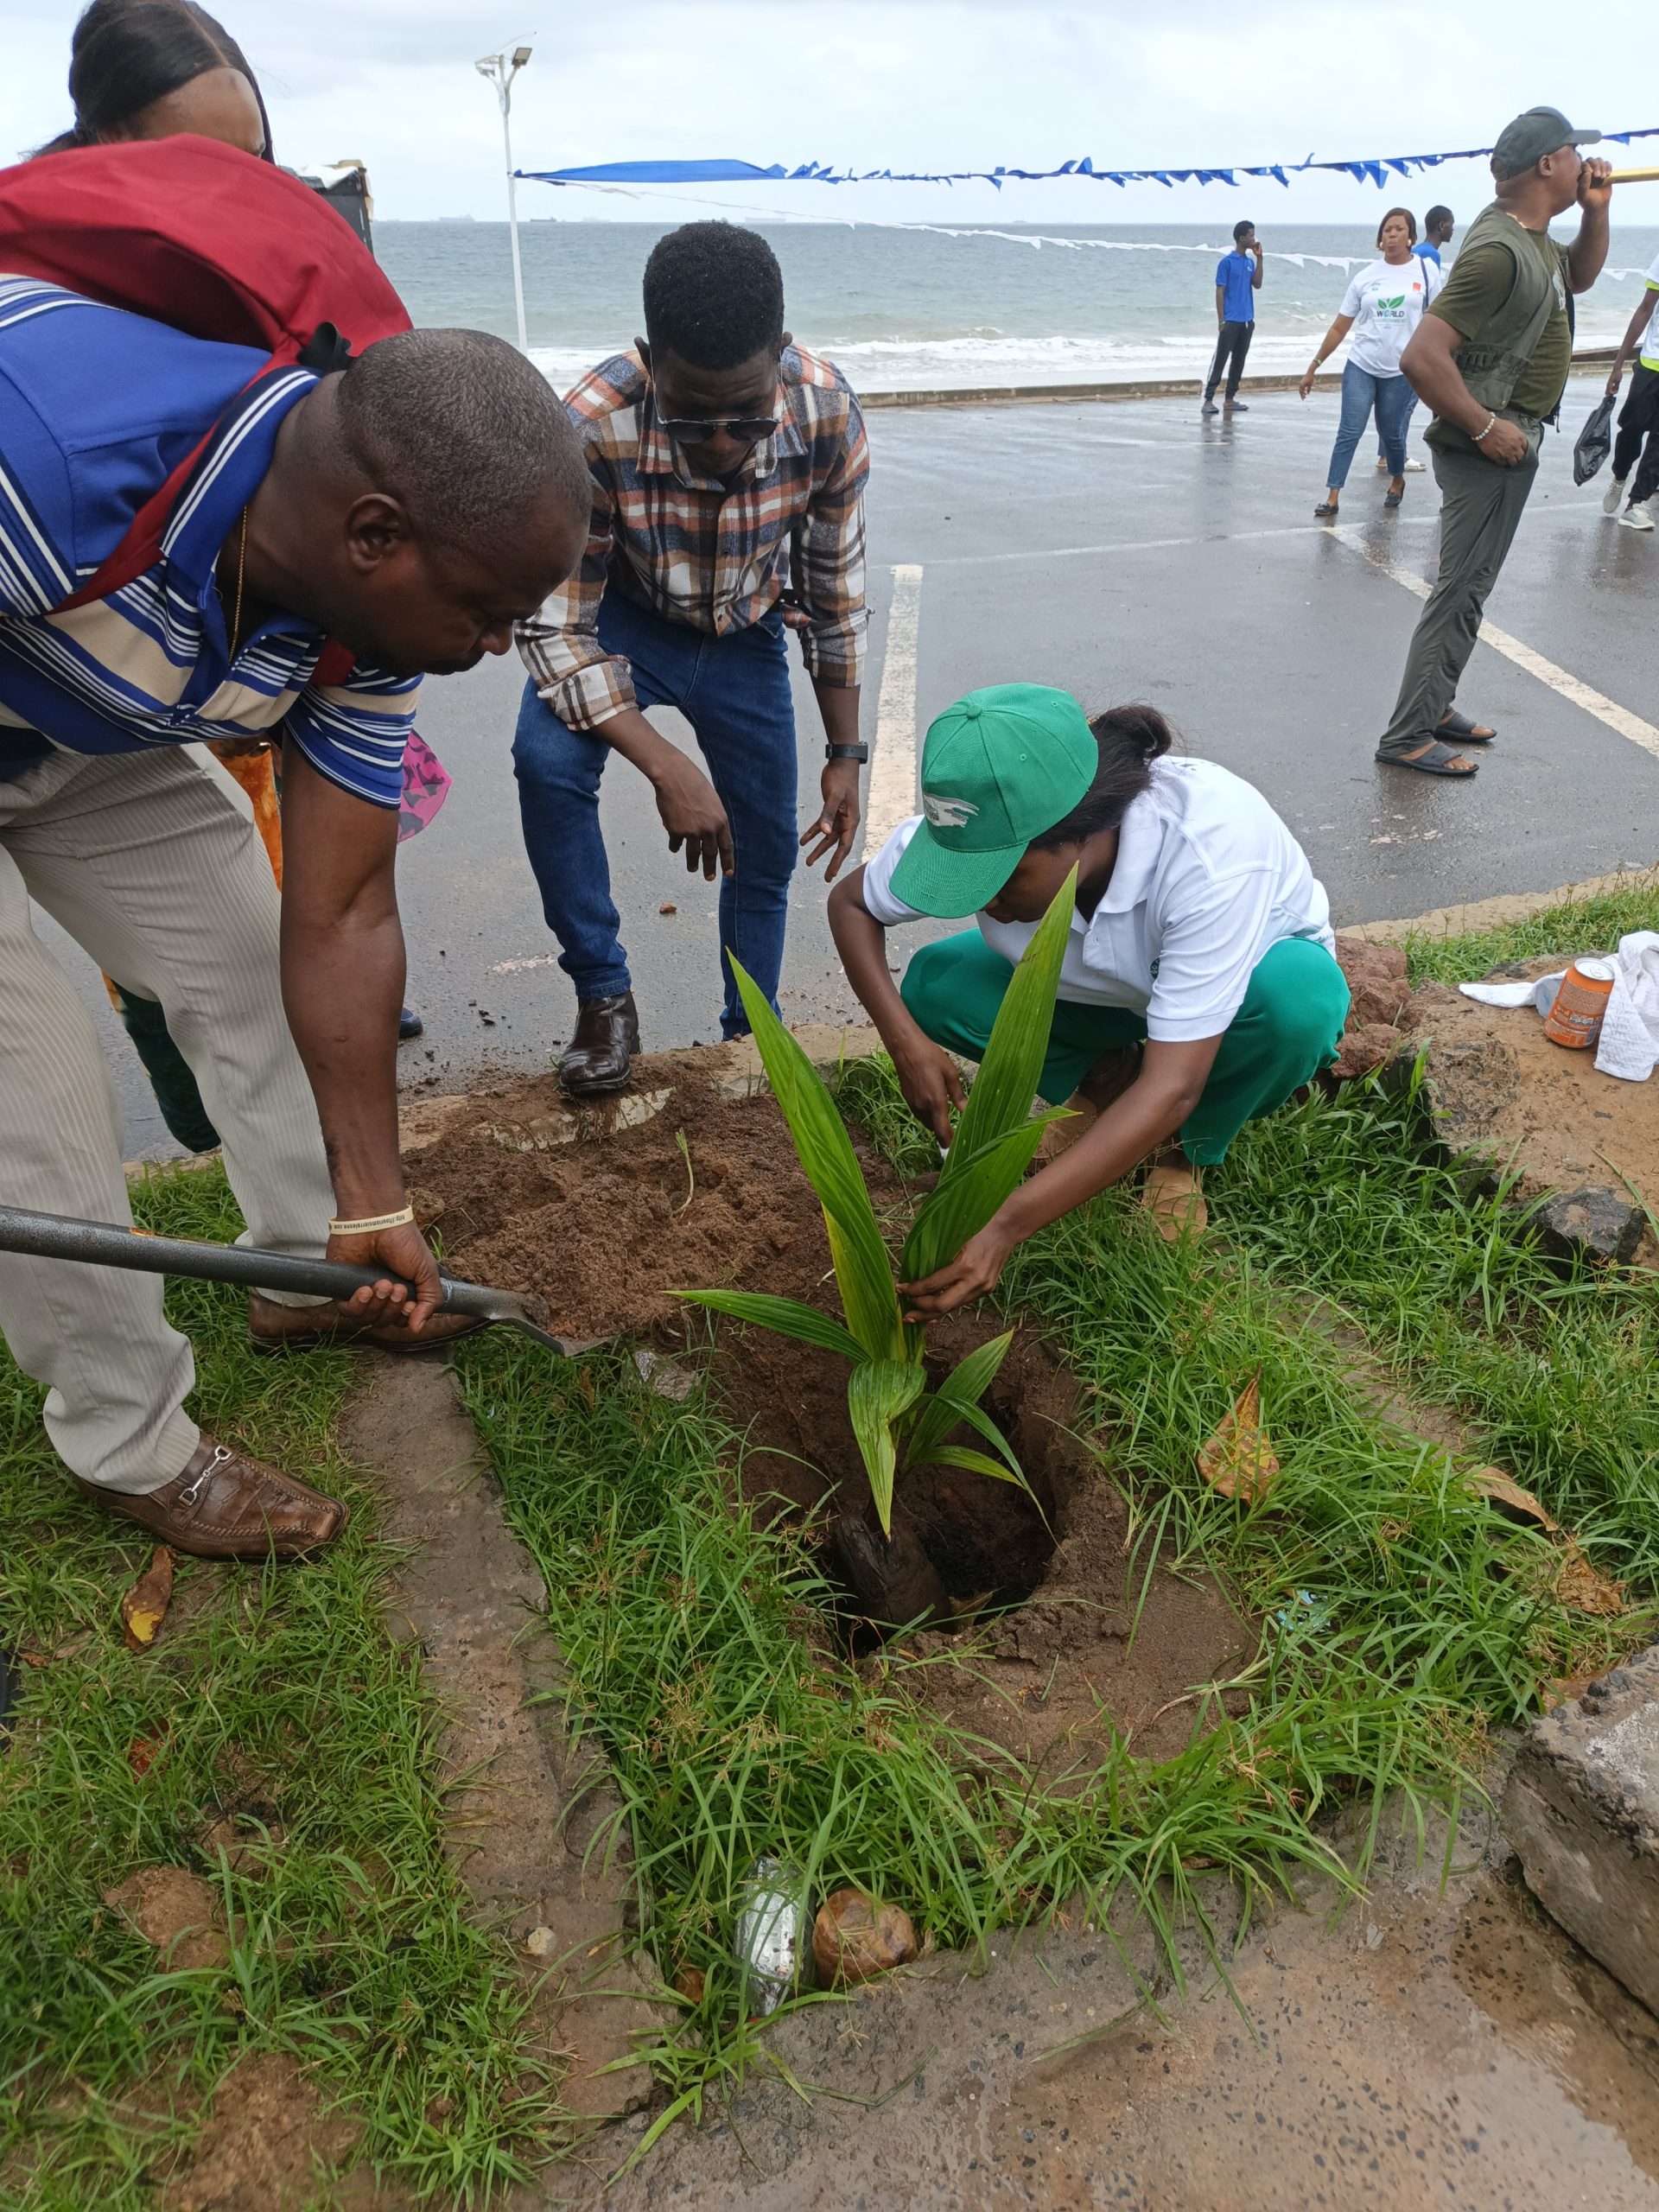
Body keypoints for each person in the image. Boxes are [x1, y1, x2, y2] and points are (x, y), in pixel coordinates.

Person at [0, 252, 590, 1560]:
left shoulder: (365, 618)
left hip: (77, 720)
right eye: (489, 613)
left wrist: (376, 1201)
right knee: (34, 1108)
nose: (499, 646)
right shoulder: (40, 465)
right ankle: (129, 1439)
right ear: (374, 535)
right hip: (37, 628)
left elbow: (346, 911)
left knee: (250, 964)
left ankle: (307, 1271)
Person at [39, 0, 430, 1076]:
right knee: (111, 1021)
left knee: (266, 937)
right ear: (99, 144)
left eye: (255, 161)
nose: (235, 192)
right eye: (193, 161)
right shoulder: (51, 316)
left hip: (199, 685)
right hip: (82, 663)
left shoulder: (270, 275)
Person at [826, 686, 1349, 1302]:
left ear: (1082, 833)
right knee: (938, 984)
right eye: (966, 876)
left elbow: (1175, 1084)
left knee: (1298, 1006)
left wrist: (1006, 1226)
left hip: (1243, 989)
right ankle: (1108, 1081)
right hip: (1109, 991)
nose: (981, 900)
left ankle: (1184, 1155)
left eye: (1000, 878)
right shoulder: (979, 825)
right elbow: (852, 903)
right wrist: (905, 1044)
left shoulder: (1211, 851)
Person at [515, 221, 869, 1096]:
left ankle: (749, 1034)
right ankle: (604, 997)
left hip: (746, 630)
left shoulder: (827, 413)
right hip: (623, 618)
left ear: (781, 356)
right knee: (546, 763)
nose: (719, 445)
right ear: (649, 362)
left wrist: (846, 753)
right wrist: (665, 763)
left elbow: (833, 594)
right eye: (690, 419)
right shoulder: (587, 426)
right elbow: (552, 626)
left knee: (766, 848)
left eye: (745, 417)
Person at [1372, 107, 1611, 778]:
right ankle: (1408, 735)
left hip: (1508, 433)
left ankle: (1434, 703)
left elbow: (1579, 276)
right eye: (1574, 152)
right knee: (1460, 589)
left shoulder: (1530, 237)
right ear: (1548, 164)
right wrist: (1483, 426)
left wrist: (1596, 212)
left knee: (1473, 586)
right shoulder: (1500, 251)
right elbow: (1422, 356)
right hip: (1489, 440)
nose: (1583, 162)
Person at [1301, 207, 1441, 518]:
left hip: (1401, 371)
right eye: (1387, 230)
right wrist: (1314, 366)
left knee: (1391, 433)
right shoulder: (1365, 277)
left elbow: (1439, 319)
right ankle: (1333, 495)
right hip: (1362, 365)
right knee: (1349, 430)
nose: (1391, 235)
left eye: (1398, 229)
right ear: (1380, 238)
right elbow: (1340, 326)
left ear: (1410, 236)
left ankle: (1397, 480)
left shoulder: (1426, 272)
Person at [1379, 206, 1455, 473]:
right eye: (1451, 224)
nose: (1453, 230)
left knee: (1396, 404)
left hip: (1401, 336)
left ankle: (1385, 454)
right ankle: (1395, 456)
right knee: (1406, 404)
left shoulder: (1421, 251)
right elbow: (1429, 301)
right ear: (1441, 226)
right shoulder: (1429, 255)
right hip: (1414, 338)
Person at [1600, 248, 1659, 531]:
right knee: (1632, 429)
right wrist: (1618, 363)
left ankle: (1636, 504)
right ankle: (1619, 476)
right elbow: (1645, 309)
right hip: (1651, 362)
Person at [1203, 220, 1263, 416]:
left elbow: (1257, 284)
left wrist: (1260, 259)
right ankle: (1208, 399)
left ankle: (1229, 399)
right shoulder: (1226, 263)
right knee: (1220, 359)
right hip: (1230, 320)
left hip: (1247, 321)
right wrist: (1221, 320)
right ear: (1241, 238)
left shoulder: (1249, 262)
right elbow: (1220, 291)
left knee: (1239, 360)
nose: (1254, 239)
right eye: (1251, 235)